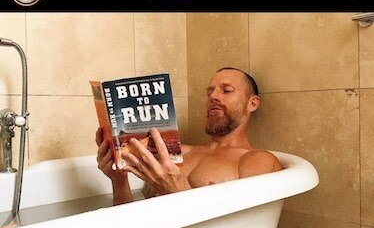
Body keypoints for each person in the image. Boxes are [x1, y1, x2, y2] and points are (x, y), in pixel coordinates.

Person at [96, 67, 283, 205]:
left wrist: (178, 191)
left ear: (253, 103)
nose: (213, 96)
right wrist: (119, 181)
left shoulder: (258, 162)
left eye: (226, 90)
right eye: (210, 91)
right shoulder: (179, 153)